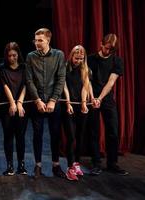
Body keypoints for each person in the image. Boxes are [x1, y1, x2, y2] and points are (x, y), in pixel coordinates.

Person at [25, 28, 66, 179]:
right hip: (38, 103)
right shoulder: (30, 56)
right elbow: (29, 80)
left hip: (54, 102)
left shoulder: (58, 55)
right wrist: (37, 100)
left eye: (40, 40)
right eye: (35, 40)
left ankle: (56, 165)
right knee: (37, 134)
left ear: (48, 40)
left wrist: (53, 100)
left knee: (55, 134)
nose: (37, 43)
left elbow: (61, 78)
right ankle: (38, 165)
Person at [88, 33, 128, 176]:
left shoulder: (117, 61)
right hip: (92, 98)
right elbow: (88, 81)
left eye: (112, 50)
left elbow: (111, 82)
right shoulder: (90, 59)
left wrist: (100, 98)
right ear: (101, 44)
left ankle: (112, 163)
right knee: (94, 131)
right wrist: (93, 98)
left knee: (113, 131)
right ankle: (96, 164)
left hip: (107, 99)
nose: (108, 52)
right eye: (107, 48)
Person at [0, 42, 28, 176]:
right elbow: (5, 86)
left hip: (21, 106)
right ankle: (10, 165)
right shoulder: (3, 69)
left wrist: (20, 103)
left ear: (18, 54)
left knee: (20, 136)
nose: (12, 58)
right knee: (8, 136)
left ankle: (21, 165)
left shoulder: (24, 68)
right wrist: (12, 103)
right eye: (9, 55)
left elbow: (25, 86)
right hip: (8, 107)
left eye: (14, 55)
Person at [62, 45, 90, 181]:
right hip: (69, 106)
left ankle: (76, 163)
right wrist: (68, 103)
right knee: (71, 137)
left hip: (80, 106)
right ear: (72, 55)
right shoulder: (65, 67)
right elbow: (64, 86)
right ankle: (69, 168)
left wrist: (84, 102)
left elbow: (85, 87)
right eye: (76, 58)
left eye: (81, 59)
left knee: (80, 137)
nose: (78, 61)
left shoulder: (85, 69)